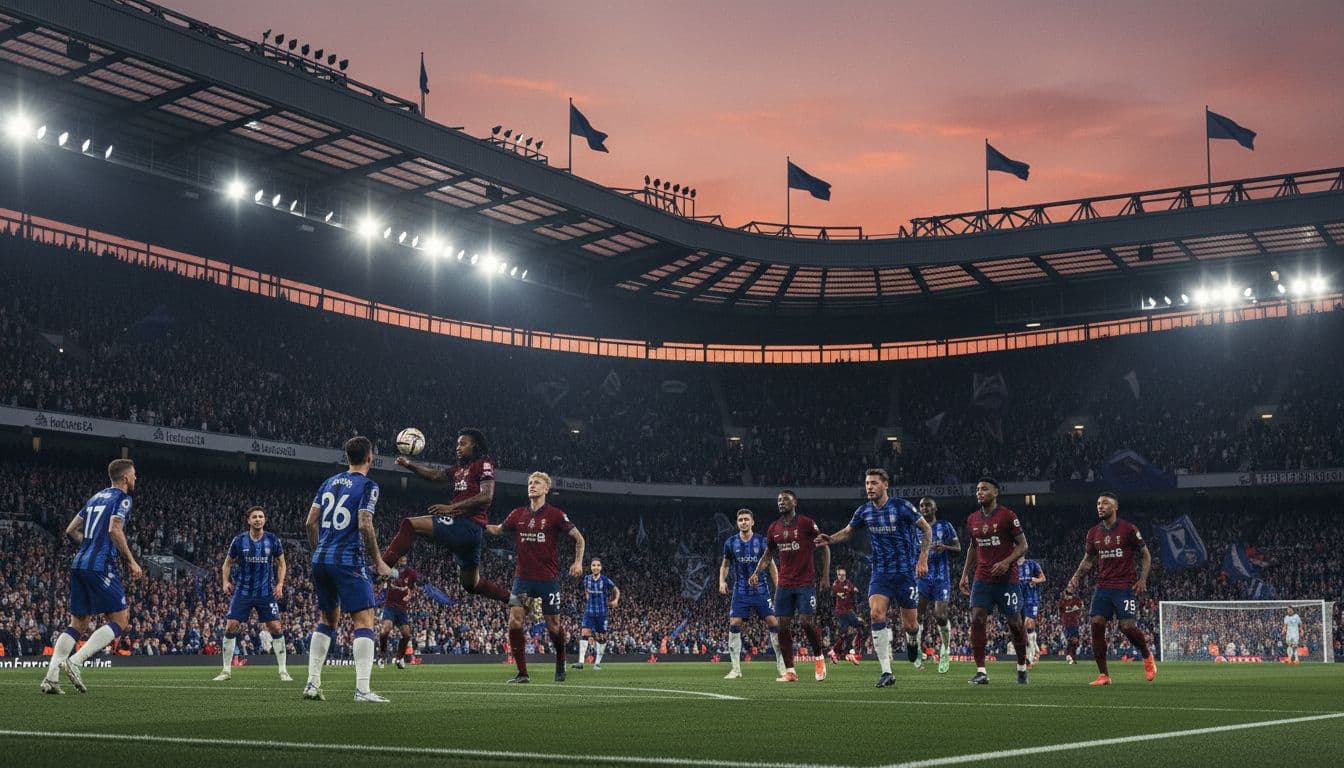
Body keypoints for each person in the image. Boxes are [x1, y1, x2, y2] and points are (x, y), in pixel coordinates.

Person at [817, 469, 931, 688]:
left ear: (885, 485)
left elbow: (926, 529)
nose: (869, 487)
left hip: (905, 573)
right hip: (881, 573)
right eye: (867, 483)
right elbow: (849, 531)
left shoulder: (902, 507)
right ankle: (886, 671)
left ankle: (912, 641)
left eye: (874, 483)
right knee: (876, 614)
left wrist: (923, 558)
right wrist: (830, 539)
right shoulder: (864, 511)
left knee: (911, 625)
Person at [41, 458, 144, 695]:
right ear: (126, 477)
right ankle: (76, 662)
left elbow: (70, 530)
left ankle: (51, 678)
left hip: (79, 563)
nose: (136, 478)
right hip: (99, 565)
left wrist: (88, 545)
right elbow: (114, 528)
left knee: (78, 623)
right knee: (120, 618)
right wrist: (132, 561)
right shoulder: (123, 499)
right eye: (134, 474)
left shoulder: (95, 498)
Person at [302, 436, 393, 702]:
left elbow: (310, 523)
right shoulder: (368, 485)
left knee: (327, 620)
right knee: (364, 621)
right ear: (369, 457)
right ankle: (362, 690)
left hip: (321, 560)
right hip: (348, 560)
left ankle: (312, 684)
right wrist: (377, 560)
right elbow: (365, 524)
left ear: (347, 457)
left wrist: (319, 551)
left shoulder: (328, 482)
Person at [381, 428, 512, 605]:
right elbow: (436, 475)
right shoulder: (459, 469)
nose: (458, 447)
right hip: (469, 534)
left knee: (409, 525)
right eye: (457, 444)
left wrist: (452, 508)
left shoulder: (484, 464)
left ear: (474, 444)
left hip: (467, 525)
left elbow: (486, 495)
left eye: (462, 444)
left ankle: (380, 569)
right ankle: (514, 599)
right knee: (471, 584)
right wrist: (409, 465)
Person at [487, 471, 585, 683]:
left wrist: (577, 562)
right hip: (522, 579)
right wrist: (478, 524)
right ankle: (523, 673)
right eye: (530, 482)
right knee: (514, 622)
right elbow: (497, 530)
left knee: (553, 626)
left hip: (547, 580)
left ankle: (560, 660)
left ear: (546, 489)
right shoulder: (517, 514)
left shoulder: (556, 515)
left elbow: (579, 538)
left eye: (537, 483)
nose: (532, 485)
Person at [1064, 491, 1157, 686]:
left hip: (1125, 586)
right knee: (1096, 624)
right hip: (1103, 586)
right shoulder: (1093, 533)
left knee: (1127, 627)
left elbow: (1146, 555)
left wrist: (1142, 579)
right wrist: (1075, 578)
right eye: (1098, 503)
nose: (1100, 506)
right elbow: (1088, 560)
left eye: (1105, 503)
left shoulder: (1128, 529)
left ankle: (1147, 654)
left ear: (1115, 507)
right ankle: (1104, 675)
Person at [749, 490, 830, 682]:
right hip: (784, 584)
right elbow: (768, 554)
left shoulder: (806, 523)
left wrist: (826, 575)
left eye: (785, 499)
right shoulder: (774, 528)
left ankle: (819, 658)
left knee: (805, 621)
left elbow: (825, 546)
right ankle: (790, 671)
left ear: (795, 502)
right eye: (778, 500)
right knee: (781, 626)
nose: (781, 502)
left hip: (805, 582)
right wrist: (756, 572)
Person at [958, 477, 1030, 685]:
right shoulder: (972, 519)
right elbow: (973, 547)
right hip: (983, 577)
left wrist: (1007, 562)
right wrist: (964, 574)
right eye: (977, 489)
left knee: (1015, 624)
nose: (979, 492)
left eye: (984, 489)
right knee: (977, 618)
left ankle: (1022, 667)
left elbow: (1023, 545)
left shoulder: (1008, 516)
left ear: (996, 492)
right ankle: (981, 671)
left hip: (1008, 579)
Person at [214, 506, 289, 681]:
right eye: (254, 517)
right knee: (231, 626)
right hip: (243, 591)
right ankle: (226, 671)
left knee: (276, 627)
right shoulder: (239, 541)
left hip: (265, 592)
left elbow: (282, 564)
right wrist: (225, 581)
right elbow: (227, 564)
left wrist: (280, 584)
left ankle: (283, 671)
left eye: (261, 516)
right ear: (248, 520)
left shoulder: (273, 540)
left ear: (265, 519)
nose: (258, 519)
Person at [719, 508, 785, 680]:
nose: (743, 522)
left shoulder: (762, 542)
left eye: (746, 519)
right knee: (734, 623)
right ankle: (735, 669)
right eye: (740, 519)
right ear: (737, 522)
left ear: (752, 522)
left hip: (761, 590)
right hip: (740, 590)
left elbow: (772, 566)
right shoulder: (730, 543)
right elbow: (725, 565)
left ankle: (782, 666)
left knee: (773, 622)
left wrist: (779, 588)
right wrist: (722, 581)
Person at [915, 496, 960, 674]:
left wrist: (945, 547)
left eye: (928, 505)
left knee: (941, 616)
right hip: (921, 577)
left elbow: (958, 548)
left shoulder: (945, 526)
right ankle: (917, 649)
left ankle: (945, 649)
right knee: (917, 615)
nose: (924, 508)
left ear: (935, 508)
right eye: (921, 506)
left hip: (941, 577)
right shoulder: (915, 527)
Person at [573, 558, 619, 671]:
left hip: (602, 613)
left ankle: (597, 663)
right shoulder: (587, 579)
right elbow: (586, 590)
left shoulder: (605, 580)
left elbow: (616, 589)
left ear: (601, 567)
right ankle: (580, 662)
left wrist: (615, 600)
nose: (596, 567)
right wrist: (588, 598)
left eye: (598, 565)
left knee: (601, 637)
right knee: (584, 633)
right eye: (594, 565)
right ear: (591, 567)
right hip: (589, 612)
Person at [377, 558, 418, 669]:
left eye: (404, 559)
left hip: (401, 608)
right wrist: (384, 577)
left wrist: (409, 595)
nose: (402, 561)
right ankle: (381, 656)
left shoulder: (411, 573)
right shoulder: (390, 570)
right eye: (400, 559)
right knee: (386, 629)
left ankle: (399, 658)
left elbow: (411, 588)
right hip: (390, 606)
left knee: (406, 633)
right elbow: (379, 578)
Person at [829, 567, 863, 665]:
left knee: (859, 627)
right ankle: (843, 652)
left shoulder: (848, 583)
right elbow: (839, 593)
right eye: (840, 575)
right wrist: (849, 591)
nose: (842, 577)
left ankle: (849, 652)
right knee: (844, 634)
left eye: (843, 575)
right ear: (837, 575)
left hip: (849, 611)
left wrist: (853, 590)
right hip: (841, 612)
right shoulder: (836, 584)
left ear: (845, 575)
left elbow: (854, 589)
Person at [1017, 555, 1046, 665]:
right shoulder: (1012, 566)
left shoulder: (1032, 564)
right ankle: (1036, 651)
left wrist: (1036, 580)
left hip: (1032, 599)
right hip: (1019, 600)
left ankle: (1029, 657)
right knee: (1022, 629)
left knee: (1028, 623)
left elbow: (1043, 578)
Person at [1059, 594, 1085, 664]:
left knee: (1075, 641)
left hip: (1074, 624)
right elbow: (1062, 611)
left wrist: (1079, 607)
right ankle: (1070, 656)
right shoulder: (1063, 603)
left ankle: (1072, 657)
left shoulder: (1075, 602)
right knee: (1071, 641)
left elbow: (1082, 607)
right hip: (1068, 625)